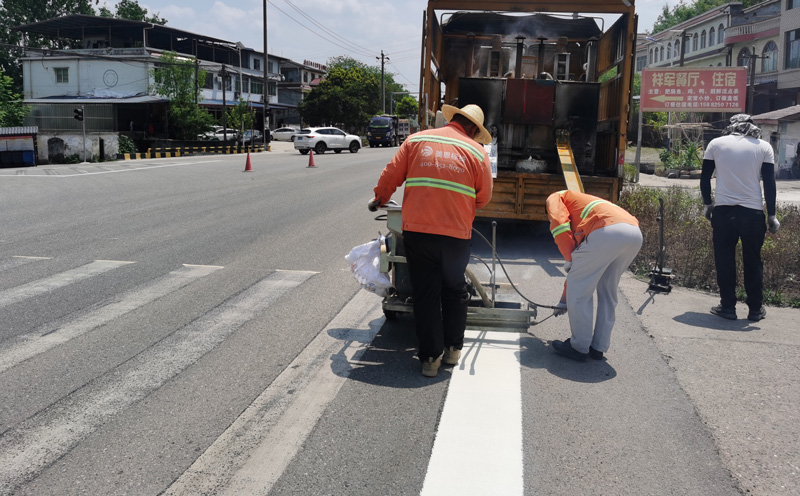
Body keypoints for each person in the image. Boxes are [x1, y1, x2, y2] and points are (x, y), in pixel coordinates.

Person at [368, 104, 493, 377]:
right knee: (454, 289)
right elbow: (483, 198)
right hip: (456, 235)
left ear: (454, 119)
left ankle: (429, 360)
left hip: (419, 233)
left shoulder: (417, 140)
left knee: (425, 293)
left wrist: (379, 198)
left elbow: (390, 176)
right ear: (473, 129)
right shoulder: (477, 151)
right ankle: (452, 350)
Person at [546, 190, 643, 362]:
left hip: (607, 232)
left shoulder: (555, 198)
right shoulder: (582, 205)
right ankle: (598, 347)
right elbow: (579, 272)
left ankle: (579, 347)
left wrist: (569, 258)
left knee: (581, 291)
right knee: (607, 290)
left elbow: (559, 225)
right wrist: (563, 301)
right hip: (634, 233)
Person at [701, 114, 780, 322]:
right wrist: (771, 215)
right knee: (753, 261)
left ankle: (728, 307)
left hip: (724, 212)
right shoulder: (763, 147)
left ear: (731, 126)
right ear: (751, 126)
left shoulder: (716, 144)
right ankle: (755, 309)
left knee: (724, 259)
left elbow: (705, 177)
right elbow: (769, 184)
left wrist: (708, 204)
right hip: (752, 214)